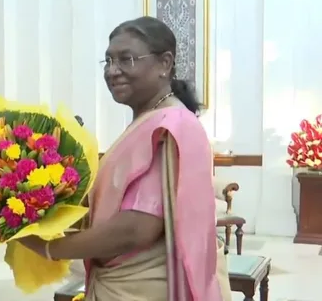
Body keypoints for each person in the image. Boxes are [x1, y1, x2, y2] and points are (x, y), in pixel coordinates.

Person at [19, 16, 232, 300]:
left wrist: (50, 248)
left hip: (142, 287)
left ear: (164, 64)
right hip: (117, 280)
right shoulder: (148, 119)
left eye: (126, 59)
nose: (112, 71)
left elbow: (137, 228)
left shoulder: (171, 125)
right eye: (108, 61)